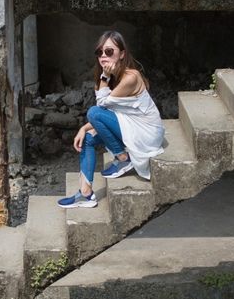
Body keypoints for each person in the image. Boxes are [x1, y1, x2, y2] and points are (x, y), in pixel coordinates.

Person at [57, 30, 165, 208]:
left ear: (122, 54)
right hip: (129, 126)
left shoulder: (131, 77)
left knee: (93, 112)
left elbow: (100, 108)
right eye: (100, 52)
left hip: (146, 134)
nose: (103, 57)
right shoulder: (111, 77)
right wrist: (84, 130)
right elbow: (104, 114)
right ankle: (86, 193)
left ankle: (123, 158)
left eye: (109, 52)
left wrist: (104, 77)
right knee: (89, 139)